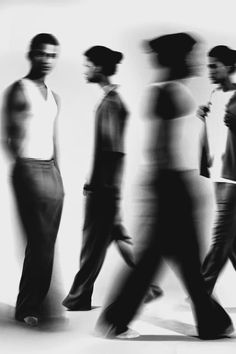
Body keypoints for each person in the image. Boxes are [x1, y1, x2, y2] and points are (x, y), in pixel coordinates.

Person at [95, 33, 234, 340]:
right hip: (171, 187)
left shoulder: (170, 90)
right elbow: (161, 148)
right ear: (176, 59)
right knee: (164, 260)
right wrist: (178, 185)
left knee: (175, 259)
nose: (195, 62)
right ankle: (119, 319)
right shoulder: (167, 93)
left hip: (171, 184)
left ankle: (209, 323)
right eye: (190, 55)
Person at [62, 45, 134, 311]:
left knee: (92, 246)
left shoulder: (111, 103)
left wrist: (100, 187)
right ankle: (146, 284)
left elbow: (113, 152)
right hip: (106, 187)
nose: (85, 70)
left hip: (103, 188)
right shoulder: (110, 101)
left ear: (100, 68)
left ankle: (79, 298)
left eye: (88, 65)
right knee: (116, 238)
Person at [2, 33, 64, 326]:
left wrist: (58, 173)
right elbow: (8, 136)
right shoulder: (18, 89)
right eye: (42, 54)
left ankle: (35, 304)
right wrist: (24, 168)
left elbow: (53, 137)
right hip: (28, 168)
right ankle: (30, 306)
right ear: (31, 54)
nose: (47, 60)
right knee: (38, 240)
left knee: (47, 242)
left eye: (52, 55)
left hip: (51, 170)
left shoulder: (54, 97)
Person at [198, 45, 236, 295]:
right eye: (209, 65)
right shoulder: (213, 94)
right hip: (217, 172)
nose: (209, 70)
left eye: (214, 65)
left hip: (234, 177)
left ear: (230, 67)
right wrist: (202, 119)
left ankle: (200, 291)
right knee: (232, 240)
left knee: (221, 235)